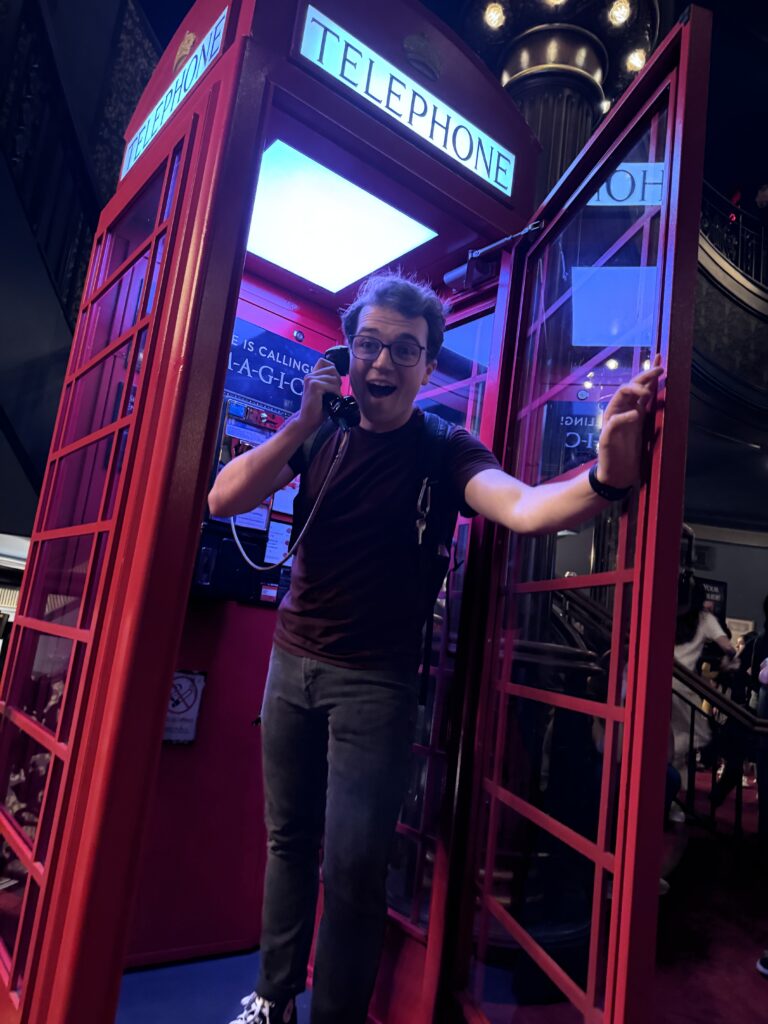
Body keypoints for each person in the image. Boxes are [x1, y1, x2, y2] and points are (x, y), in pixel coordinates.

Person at [208, 273, 662, 1024]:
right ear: (346, 351)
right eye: (370, 346)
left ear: (428, 366)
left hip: (375, 686)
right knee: (288, 840)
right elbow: (224, 498)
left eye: (404, 352)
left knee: (352, 868)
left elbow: (518, 505)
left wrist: (605, 481)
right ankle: (275, 992)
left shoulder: (444, 450)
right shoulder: (319, 432)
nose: (382, 365)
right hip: (290, 665)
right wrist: (302, 420)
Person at [670, 576, 736, 788]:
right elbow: (729, 648)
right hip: (685, 688)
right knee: (689, 739)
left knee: (669, 738)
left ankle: (668, 793)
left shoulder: (666, 612)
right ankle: (672, 793)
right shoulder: (704, 619)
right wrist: (727, 662)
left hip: (658, 683)